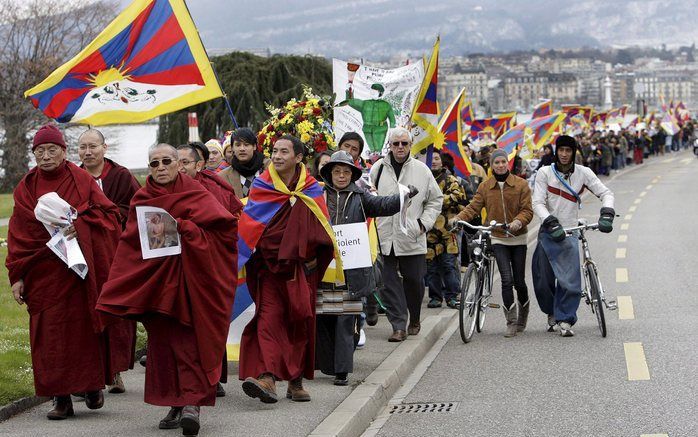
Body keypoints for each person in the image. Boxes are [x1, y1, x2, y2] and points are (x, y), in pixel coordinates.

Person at [96, 143, 238, 436]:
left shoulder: (196, 194)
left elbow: (224, 232)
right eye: (154, 163)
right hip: (158, 284)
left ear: (178, 164)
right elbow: (131, 244)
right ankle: (175, 403)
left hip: (193, 282)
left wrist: (186, 227)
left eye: (166, 162)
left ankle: (192, 405)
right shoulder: (143, 198)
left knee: (190, 343)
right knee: (164, 346)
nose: (160, 167)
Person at [6, 124, 121, 420]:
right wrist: (17, 277)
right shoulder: (26, 187)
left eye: (52, 150)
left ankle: (92, 386)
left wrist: (79, 226)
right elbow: (19, 237)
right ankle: (61, 399)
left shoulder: (81, 179)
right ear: (34, 154)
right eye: (40, 151)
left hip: (78, 273)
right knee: (50, 337)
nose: (45, 156)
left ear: (64, 152)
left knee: (83, 333)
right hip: (43, 274)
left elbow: (108, 216)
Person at [238, 135, 340, 404]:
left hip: (301, 270)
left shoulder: (311, 189)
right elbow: (249, 227)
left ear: (298, 157)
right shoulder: (262, 186)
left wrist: (313, 256)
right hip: (270, 270)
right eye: (274, 151)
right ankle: (267, 377)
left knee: (301, 322)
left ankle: (295, 381)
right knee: (268, 320)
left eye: (284, 151)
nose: (278, 156)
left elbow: (323, 230)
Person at [316, 150, 406, 385]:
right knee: (324, 317)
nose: (342, 175)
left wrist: (403, 197)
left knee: (346, 318)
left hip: (351, 269)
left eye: (346, 172)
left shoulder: (361, 197)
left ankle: (342, 371)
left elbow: (384, 205)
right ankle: (328, 364)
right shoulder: (317, 196)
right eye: (337, 171)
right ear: (329, 174)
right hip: (324, 268)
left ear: (353, 174)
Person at [77, 128, 140, 394]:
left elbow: (135, 207)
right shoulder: (73, 177)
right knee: (86, 311)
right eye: (83, 147)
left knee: (116, 311)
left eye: (93, 146)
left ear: (105, 148)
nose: (88, 152)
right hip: (82, 255)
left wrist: (106, 217)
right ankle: (89, 374)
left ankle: (114, 370)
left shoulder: (120, 176)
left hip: (117, 254)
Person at [532, 135, 615, 337]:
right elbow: (537, 203)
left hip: (569, 231)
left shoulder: (583, 173)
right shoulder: (545, 173)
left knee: (570, 282)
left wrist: (607, 213)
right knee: (543, 281)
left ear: (574, 152)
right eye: (561, 150)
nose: (564, 154)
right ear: (556, 151)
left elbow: (606, 193)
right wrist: (550, 221)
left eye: (568, 151)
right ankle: (551, 312)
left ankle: (565, 319)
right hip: (548, 231)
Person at [177, 143, 243, 397]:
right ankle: (185, 386)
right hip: (176, 269)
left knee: (210, 325)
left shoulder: (214, 189)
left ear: (199, 165)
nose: (179, 168)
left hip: (210, 268)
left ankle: (212, 376)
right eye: (176, 162)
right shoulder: (163, 190)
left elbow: (229, 228)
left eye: (185, 162)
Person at [368, 127, 443, 342]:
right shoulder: (378, 168)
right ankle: (398, 325)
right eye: (396, 144)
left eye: (404, 143)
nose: (400, 147)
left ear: (411, 145)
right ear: (389, 146)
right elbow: (369, 196)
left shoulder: (422, 170)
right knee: (387, 282)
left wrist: (423, 224)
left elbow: (435, 200)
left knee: (414, 281)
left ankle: (415, 318)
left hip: (412, 235)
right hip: (384, 236)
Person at [451, 149, 533, 337]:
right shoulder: (486, 186)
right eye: (497, 162)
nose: (500, 165)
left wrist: (518, 222)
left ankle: (523, 316)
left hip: (517, 237)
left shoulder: (521, 184)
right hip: (497, 237)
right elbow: (474, 207)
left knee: (519, 282)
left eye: (503, 162)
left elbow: (528, 210)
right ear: (491, 165)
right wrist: (458, 218)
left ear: (508, 163)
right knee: (506, 279)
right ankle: (511, 321)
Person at [425, 151, 466, 309]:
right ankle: (435, 297)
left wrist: (434, 201)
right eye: (432, 158)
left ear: (442, 162)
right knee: (432, 266)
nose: (434, 161)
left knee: (449, 265)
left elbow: (457, 197)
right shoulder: (423, 180)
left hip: (448, 231)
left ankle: (452, 296)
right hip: (428, 231)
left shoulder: (451, 180)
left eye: (437, 158)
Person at [217, 128, 269, 198]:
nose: (242, 149)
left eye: (246, 145)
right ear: (232, 148)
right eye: (238, 145)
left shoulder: (269, 167)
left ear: (254, 146)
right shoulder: (223, 177)